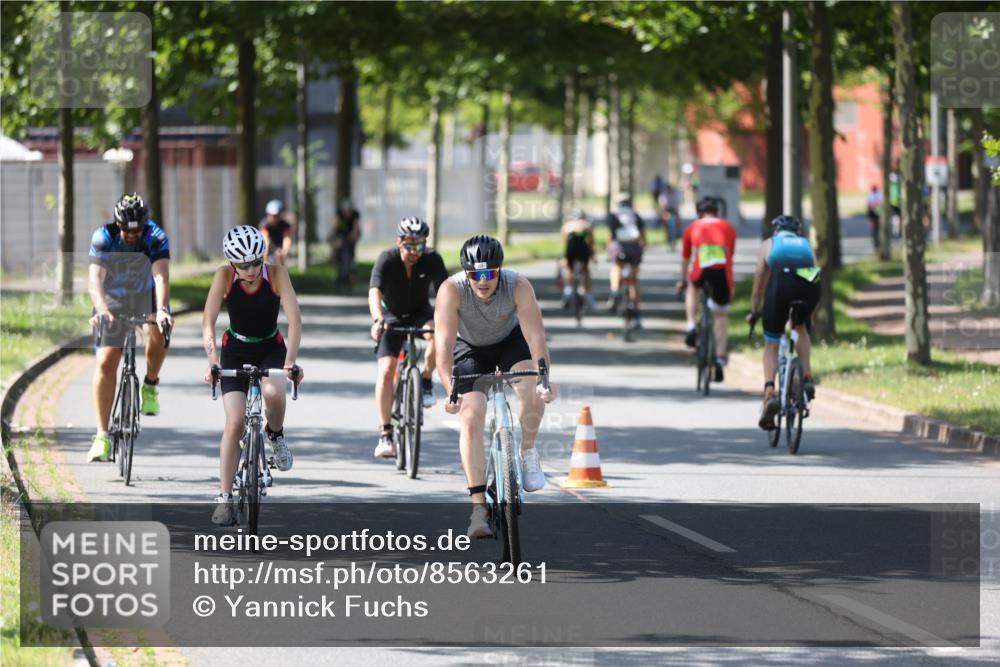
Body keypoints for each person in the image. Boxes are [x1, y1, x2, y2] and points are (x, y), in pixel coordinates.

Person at [435, 235, 556, 538]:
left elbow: (536, 336)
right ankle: (478, 508)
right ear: (466, 274)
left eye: (490, 273)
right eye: (476, 275)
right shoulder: (452, 289)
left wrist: (544, 380)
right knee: (471, 416)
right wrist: (449, 389)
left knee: (530, 390)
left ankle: (527, 451)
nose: (483, 281)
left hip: (509, 343)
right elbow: (445, 345)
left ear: (500, 270)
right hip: (470, 348)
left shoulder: (518, 285)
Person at [202, 225, 303, 525]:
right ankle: (224, 498)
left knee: (273, 393)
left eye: (256, 262)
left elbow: (295, 321)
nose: (250, 270)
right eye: (243, 265)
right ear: (232, 264)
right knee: (234, 422)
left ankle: (276, 434)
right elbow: (208, 323)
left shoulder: (277, 274)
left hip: (271, 346)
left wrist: (291, 362)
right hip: (235, 348)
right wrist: (212, 361)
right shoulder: (223, 276)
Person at [87, 193, 174, 462]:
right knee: (106, 360)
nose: (132, 235)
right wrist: (102, 310)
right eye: (126, 230)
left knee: (160, 329)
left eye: (136, 230)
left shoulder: (155, 236)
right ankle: (102, 436)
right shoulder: (104, 236)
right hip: (112, 296)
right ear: (117, 224)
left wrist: (161, 310)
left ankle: (149, 384)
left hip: (144, 294)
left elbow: (160, 275)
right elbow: (95, 279)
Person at [369, 217, 449, 458]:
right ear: (399, 242)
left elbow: (445, 293)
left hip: (420, 313)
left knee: (436, 334)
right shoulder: (387, 258)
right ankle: (385, 434)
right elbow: (374, 291)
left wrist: (448, 320)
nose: (415, 251)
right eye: (410, 245)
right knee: (386, 370)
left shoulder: (432, 259)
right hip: (391, 316)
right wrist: (377, 319)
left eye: (420, 245)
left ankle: (425, 379)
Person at [746, 215, 820, 430]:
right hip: (810, 284)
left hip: (781, 284)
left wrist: (754, 310)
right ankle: (806, 375)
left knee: (772, 342)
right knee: (801, 329)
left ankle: (770, 392)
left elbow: (759, 284)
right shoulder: (806, 244)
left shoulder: (769, 244)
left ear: (775, 230)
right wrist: (809, 317)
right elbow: (814, 277)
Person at [677, 196, 737, 381]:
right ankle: (719, 357)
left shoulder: (693, 227)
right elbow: (730, 256)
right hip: (721, 272)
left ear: (699, 213)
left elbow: (686, 259)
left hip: (701, 270)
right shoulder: (728, 227)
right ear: (717, 212)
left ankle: (691, 325)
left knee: (693, 287)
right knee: (721, 314)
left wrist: (682, 281)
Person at [606, 192, 647, 326]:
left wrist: (609, 252)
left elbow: (611, 236)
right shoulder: (635, 215)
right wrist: (642, 249)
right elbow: (643, 236)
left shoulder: (613, 216)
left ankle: (615, 291)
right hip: (634, 248)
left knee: (616, 267)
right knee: (634, 280)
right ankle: (637, 312)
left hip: (619, 248)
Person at [559, 208, 596, 309]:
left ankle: (568, 291)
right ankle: (588, 295)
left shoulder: (567, 225)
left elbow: (566, 243)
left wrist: (564, 258)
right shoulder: (587, 224)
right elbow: (591, 242)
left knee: (569, 269)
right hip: (583, 249)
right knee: (586, 270)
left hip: (571, 248)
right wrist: (593, 255)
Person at [330, 198, 361, 291]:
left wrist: (352, 237)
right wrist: (334, 239)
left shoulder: (355, 216)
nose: (347, 212)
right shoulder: (339, 215)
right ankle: (340, 280)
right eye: (345, 210)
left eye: (349, 210)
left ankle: (349, 280)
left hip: (350, 239)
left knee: (350, 259)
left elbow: (356, 230)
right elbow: (334, 228)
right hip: (341, 238)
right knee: (341, 261)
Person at [259, 199, 295, 266]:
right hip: (268, 248)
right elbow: (265, 242)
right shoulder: (264, 225)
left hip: (279, 248)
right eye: (271, 215)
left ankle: (281, 271)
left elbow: (287, 240)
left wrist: (285, 252)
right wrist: (265, 260)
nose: (273, 217)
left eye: (275, 215)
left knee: (279, 257)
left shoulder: (285, 225)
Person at [866, 185, 884, 251]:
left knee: (878, 229)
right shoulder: (870, 195)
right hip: (872, 213)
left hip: (878, 213)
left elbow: (880, 203)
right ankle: (875, 242)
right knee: (874, 229)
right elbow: (869, 204)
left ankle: (879, 242)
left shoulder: (879, 194)